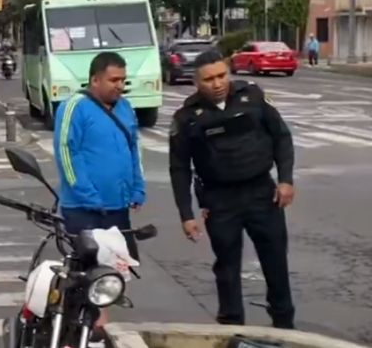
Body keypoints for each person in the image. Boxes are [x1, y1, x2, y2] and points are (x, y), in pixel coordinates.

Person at [168, 50, 296, 329]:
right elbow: (179, 167)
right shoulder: (187, 117)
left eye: (221, 75)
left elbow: (281, 137)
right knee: (227, 267)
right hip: (219, 199)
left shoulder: (253, 97)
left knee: (275, 260)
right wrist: (186, 214)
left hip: (262, 193)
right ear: (196, 82)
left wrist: (286, 179)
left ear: (228, 72)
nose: (217, 83)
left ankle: (284, 324)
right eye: (209, 79)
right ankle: (232, 326)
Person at [53, 51, 146, 333]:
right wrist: (87, 193)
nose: (119, 85)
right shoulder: (74, 106)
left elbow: (133, 148)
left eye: (123, 80)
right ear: (95, 79)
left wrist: (137, 186)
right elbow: (67, 152)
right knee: (85, 270)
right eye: (113, 80)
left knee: (113, 269)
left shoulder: (125, 108)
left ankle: (100, 324)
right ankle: (74, 323)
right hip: (83, 208)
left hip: (116, 206)